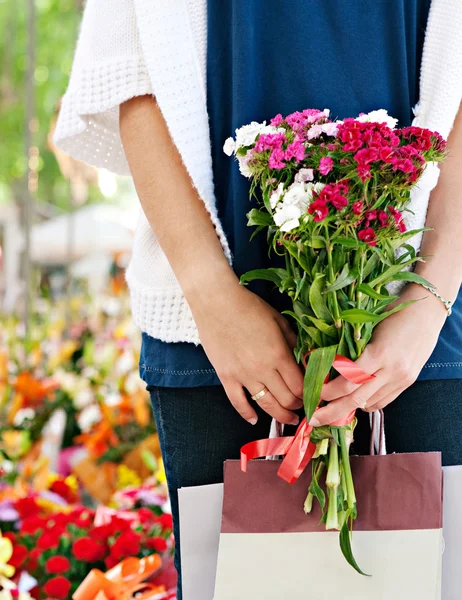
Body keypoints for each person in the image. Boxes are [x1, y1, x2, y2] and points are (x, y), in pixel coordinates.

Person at [55, 1, 462, 596]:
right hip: (222, 345)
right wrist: (213, 296)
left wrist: (428, 300)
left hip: (418, 335)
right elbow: (130, 73)